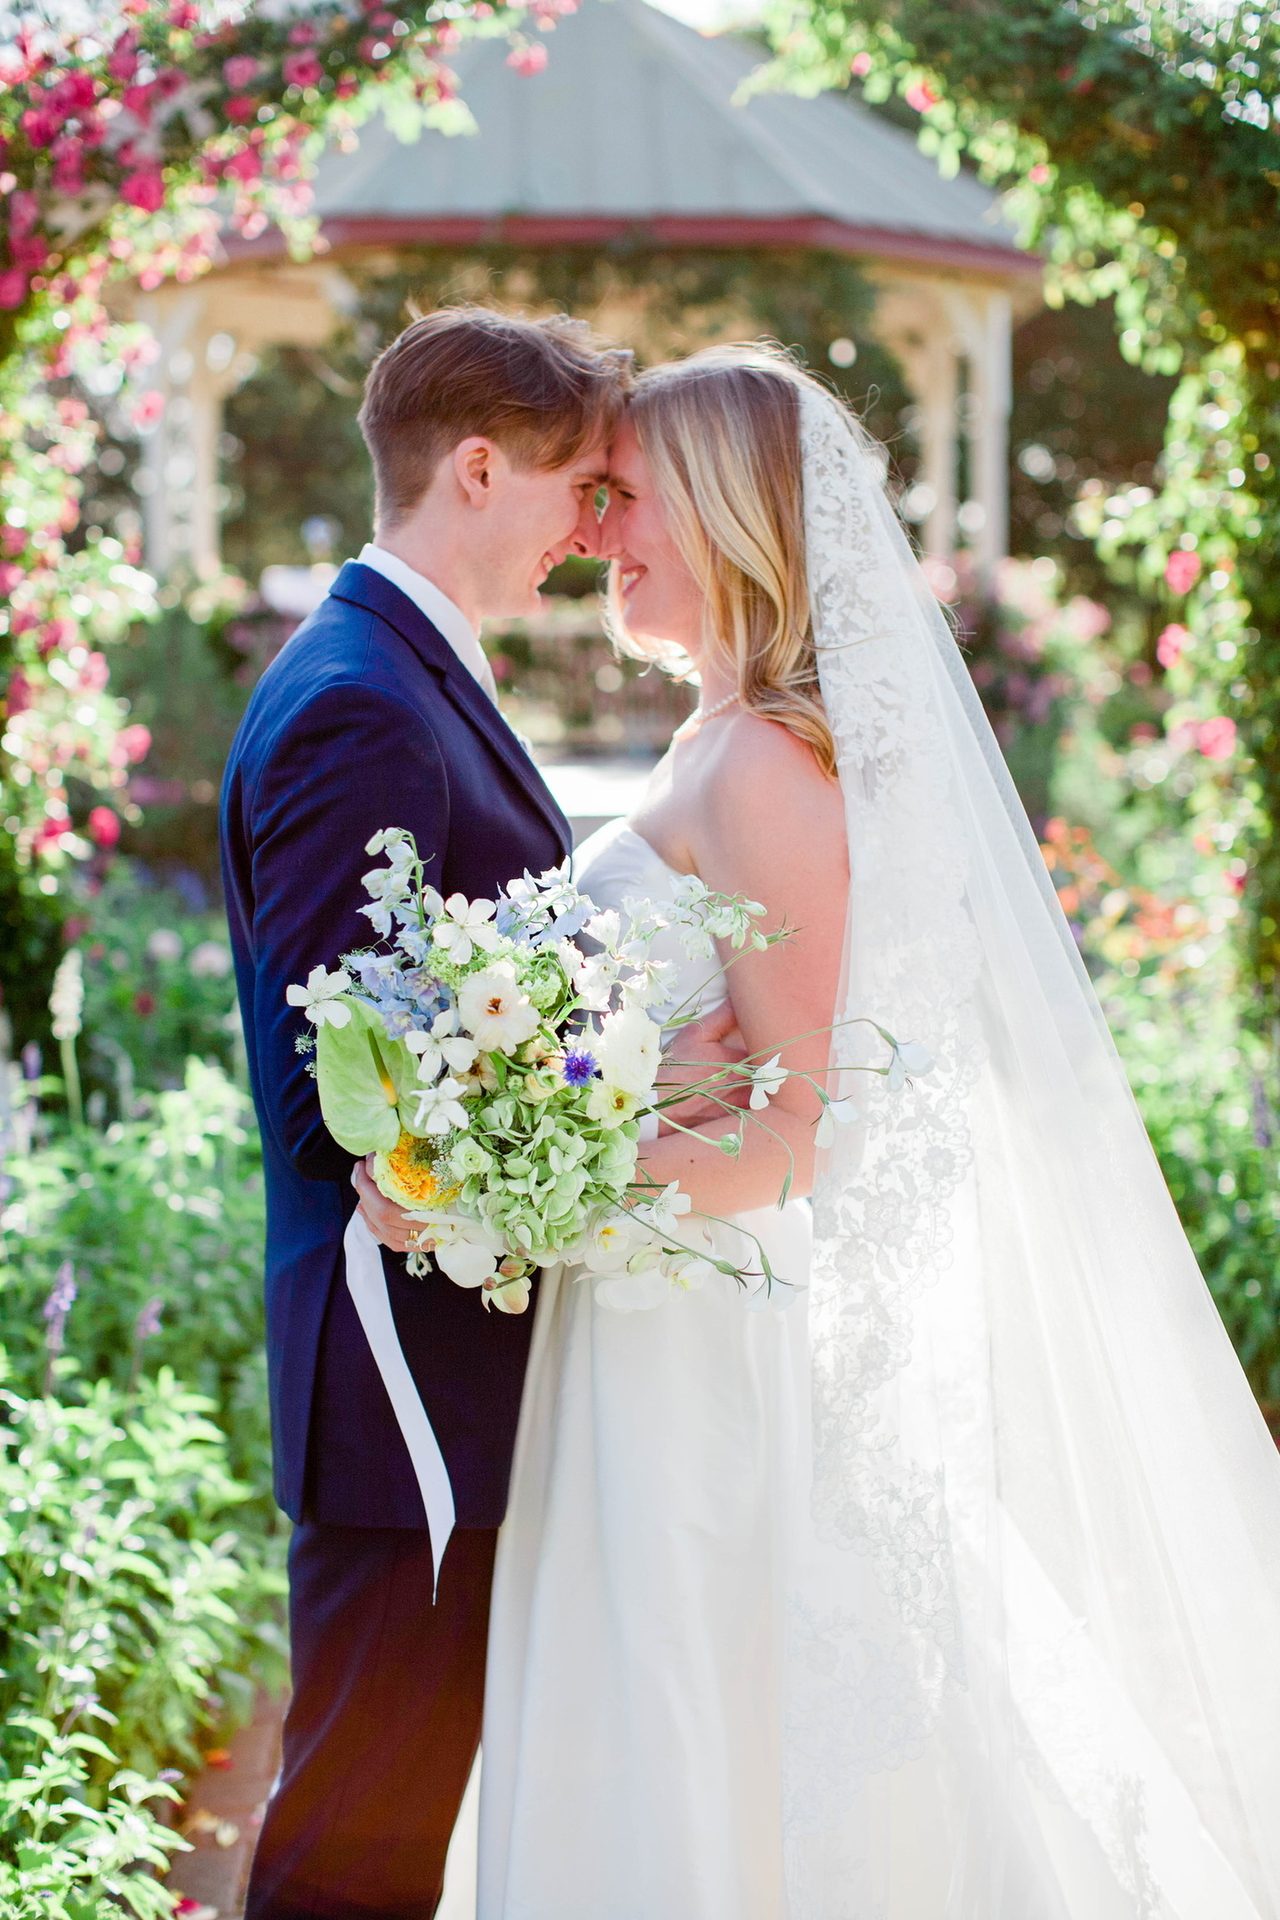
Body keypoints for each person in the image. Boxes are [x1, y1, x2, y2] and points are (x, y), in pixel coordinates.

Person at [468, 345, 1280, 1918]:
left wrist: (551, 1191)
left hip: (701, 1336)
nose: (602, 531)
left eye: (629, 496)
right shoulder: (719, 744)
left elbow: (815, 1126)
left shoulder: (764, 763)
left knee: (709, 1731)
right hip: (645, 1318)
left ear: (727, 513)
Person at [219, 306, 633, 1920]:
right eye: (578, 489)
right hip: (401, 1359)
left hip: (437, 1351)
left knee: (393, 1799)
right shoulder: (360, 702)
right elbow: (349, 1088)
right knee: (363, 1826)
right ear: (477, 468)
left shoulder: (391, 670)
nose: (591, 530)